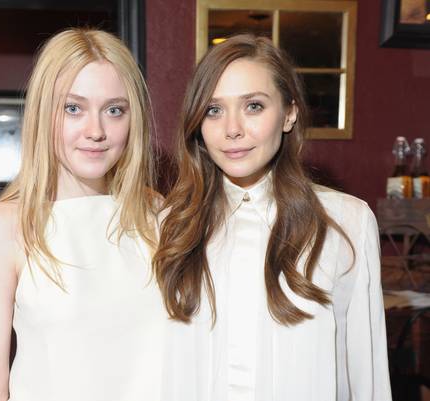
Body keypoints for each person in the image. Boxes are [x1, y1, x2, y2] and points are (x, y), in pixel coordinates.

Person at [154, 34, 392, 401]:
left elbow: (366, 373)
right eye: (214, 110)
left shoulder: (347, 222)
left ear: (289, 113)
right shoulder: (170, 225)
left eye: (253, 106)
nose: (232, 129)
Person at [0, 29, 166, 401]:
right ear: (44, 114)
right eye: (73, 108)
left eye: (114, 110)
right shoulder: (0, 228)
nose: (96, 131)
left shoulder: (157, 215)